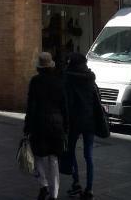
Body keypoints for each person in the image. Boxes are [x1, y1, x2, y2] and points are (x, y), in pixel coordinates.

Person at [24, 51, 69, 200]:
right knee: (54, 159)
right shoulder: (59, 81)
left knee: (38, 156)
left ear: (39, 67)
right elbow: (64, 107)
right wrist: (66, 126)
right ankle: (54, 194)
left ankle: (43, 184)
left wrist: (27, 127)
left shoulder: (35, 82)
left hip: (39, 124)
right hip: (56, 125)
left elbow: (31, 107)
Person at [64, 52, 99, 199]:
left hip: (74, 122)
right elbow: (97, 97)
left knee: (71, 152)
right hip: (90, 121)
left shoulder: (68, 79)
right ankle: (89, 189)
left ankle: (76, 182)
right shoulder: (91, 78)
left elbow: (67, 102)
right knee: (88, 155)